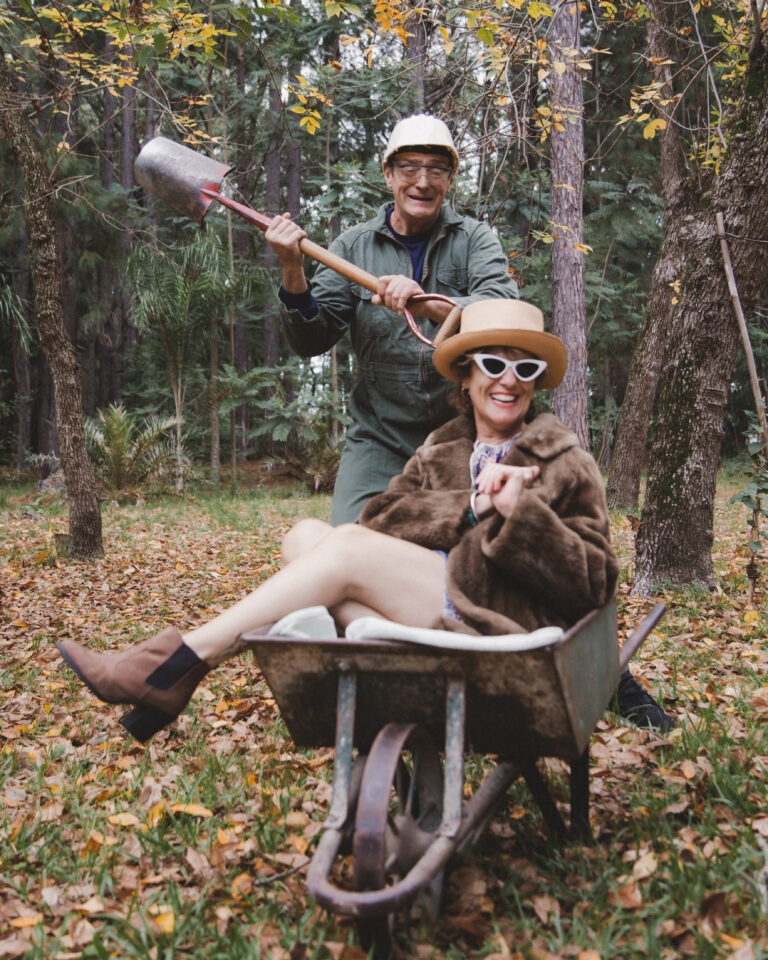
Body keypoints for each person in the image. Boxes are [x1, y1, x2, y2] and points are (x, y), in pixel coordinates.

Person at [58, 300, 672, 743]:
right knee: (303, 534)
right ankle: (367, 630)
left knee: (344, 548)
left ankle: (172, 666)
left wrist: (521, 516)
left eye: (525, 369)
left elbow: (595, 582)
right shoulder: (440, 448)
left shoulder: (563, 458)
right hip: (427, 596)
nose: (508, 380)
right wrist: (468, 507)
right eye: (492, 362)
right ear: (465, 374)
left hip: (501, 622)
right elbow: (383, 518)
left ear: (537, 383)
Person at [264, 114, 519, 525]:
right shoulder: (351, 246)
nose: (422, 182)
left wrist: (426, 304)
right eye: (409, 168)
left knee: (473, 549)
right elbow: (311, 339)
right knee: (350, 543)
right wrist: (292, 270)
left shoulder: (475, 239)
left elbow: (503, 310)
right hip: (378, 438)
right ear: (388, 174)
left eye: (436, 170)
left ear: (450, 180)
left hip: (462, 433)